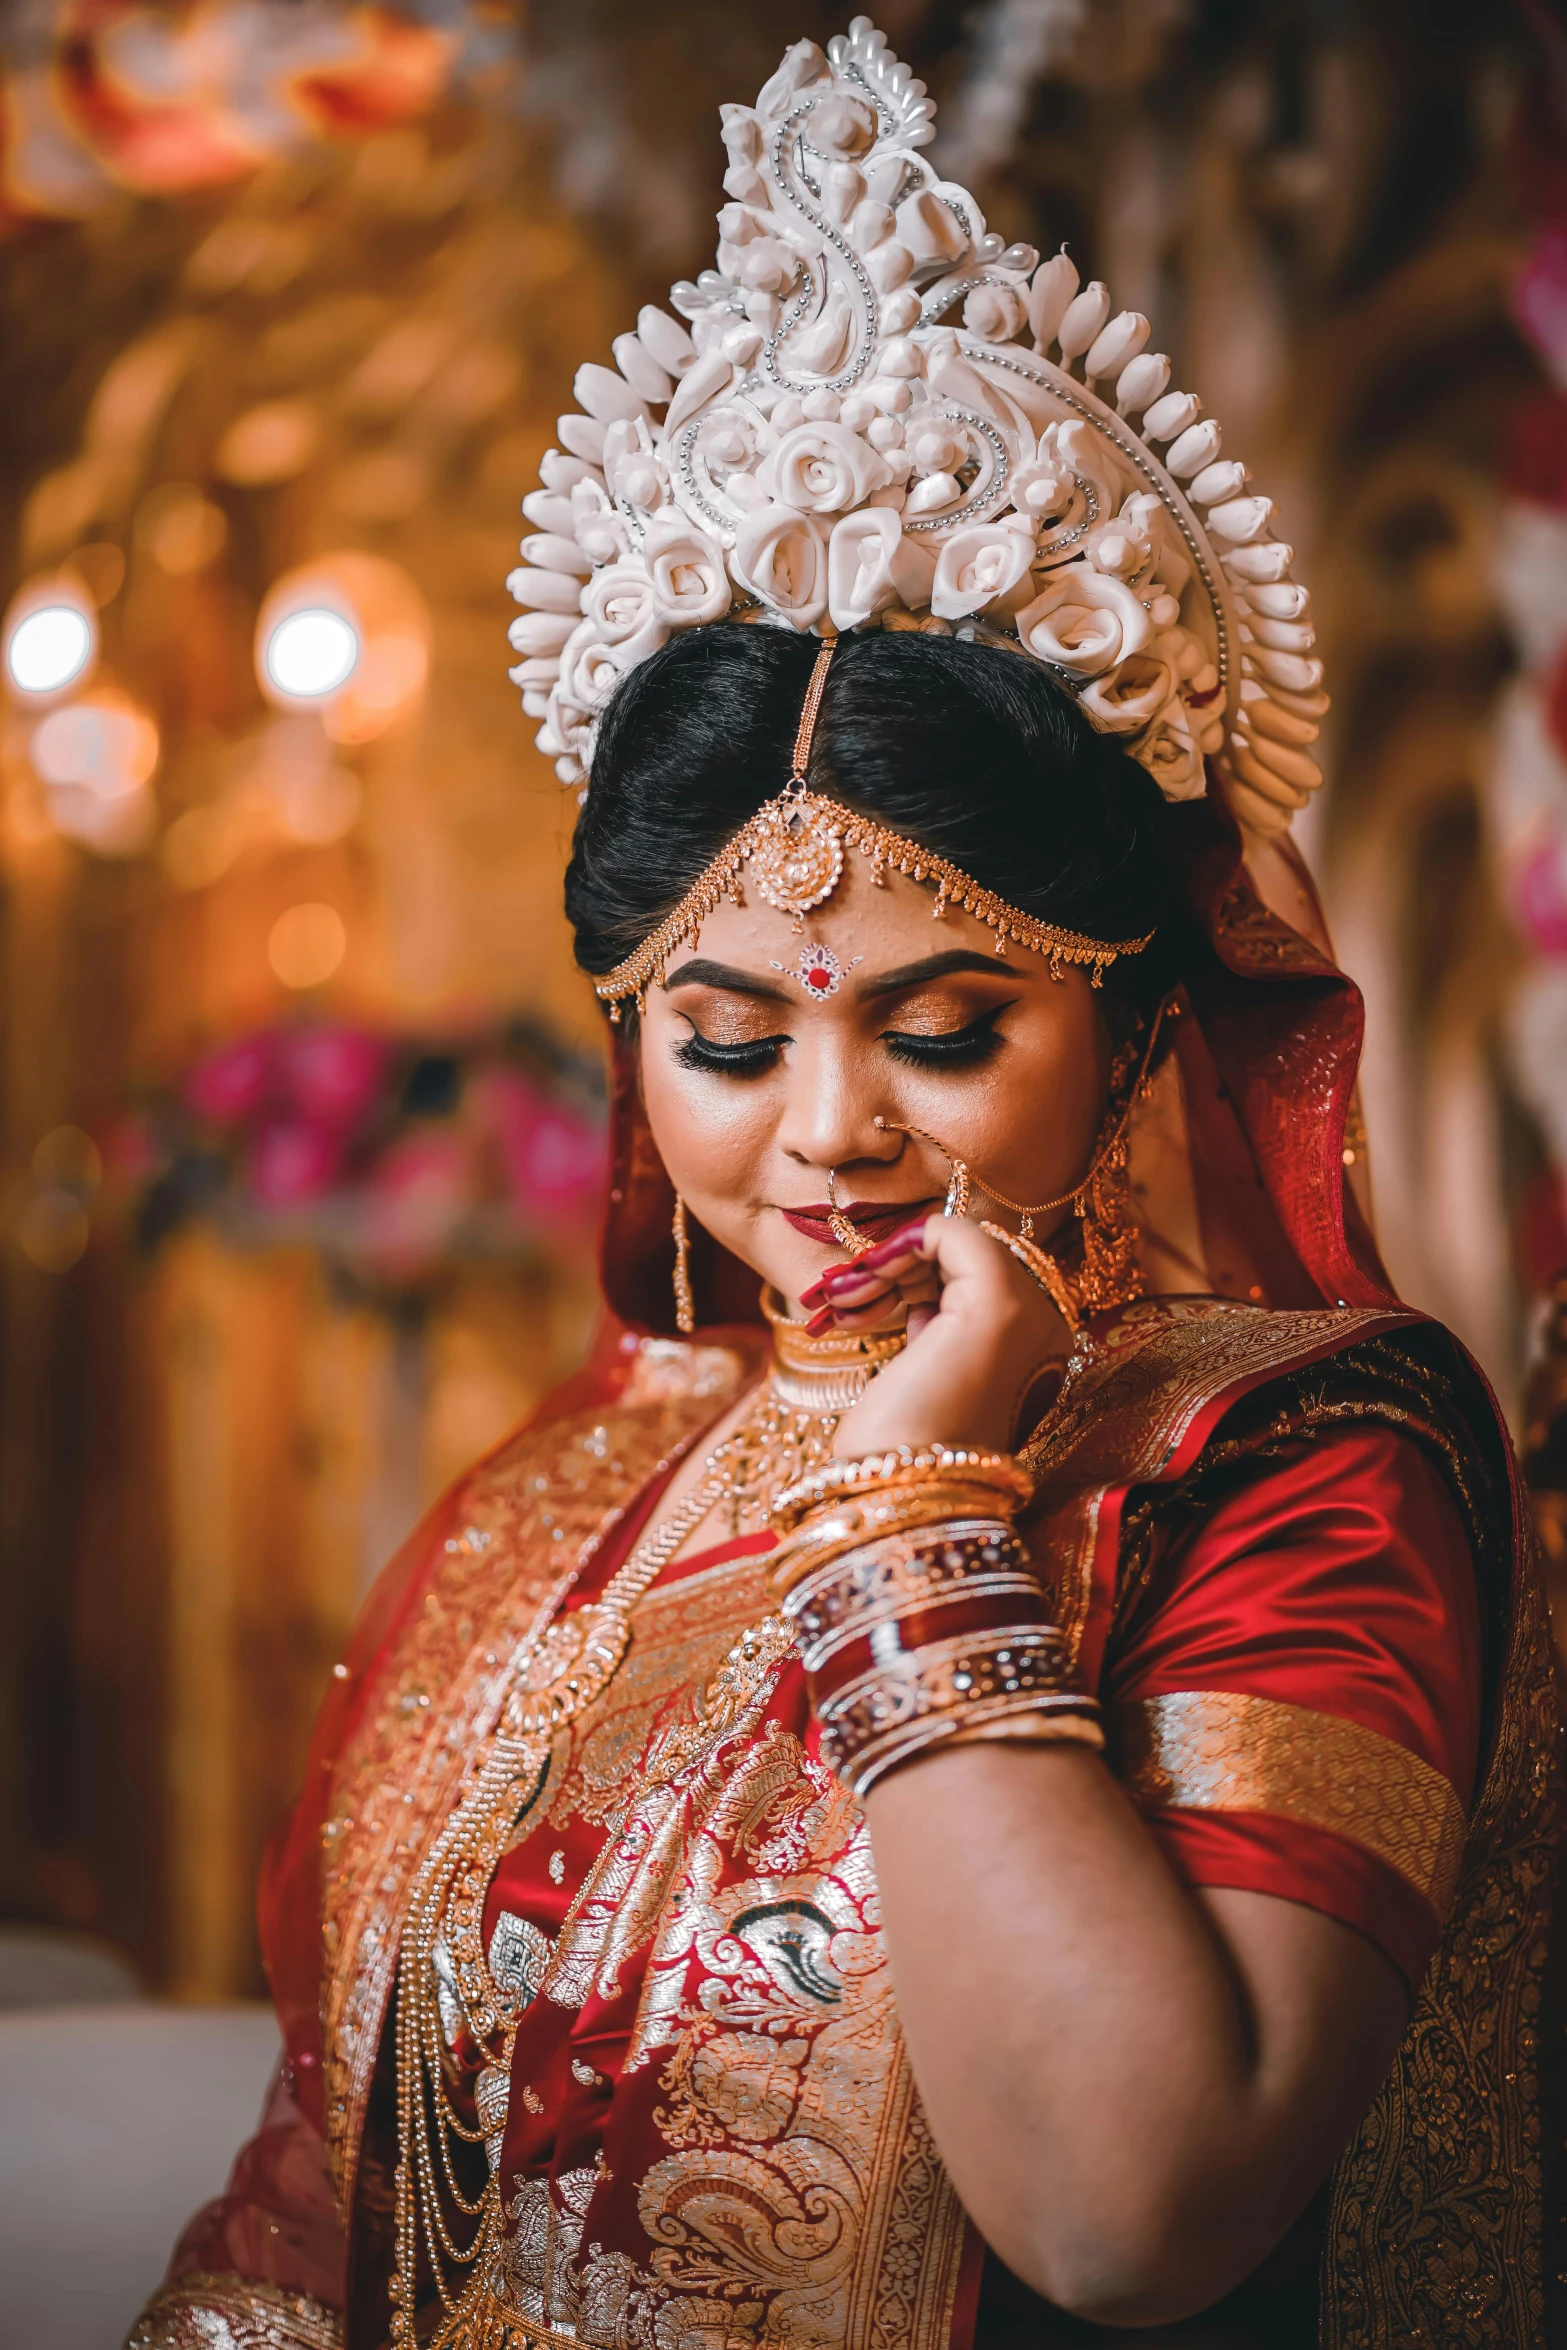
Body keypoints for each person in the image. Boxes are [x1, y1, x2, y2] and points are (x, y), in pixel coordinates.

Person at [128, 23, 1559, 2350]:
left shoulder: (1296, 1463)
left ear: (1143, 1014)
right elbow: (335, 2174)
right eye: (726, 1037)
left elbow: (1130, 2203)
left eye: (942, 1024)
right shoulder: (569, 1492)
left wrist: (921, 1522)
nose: (824, 1133)